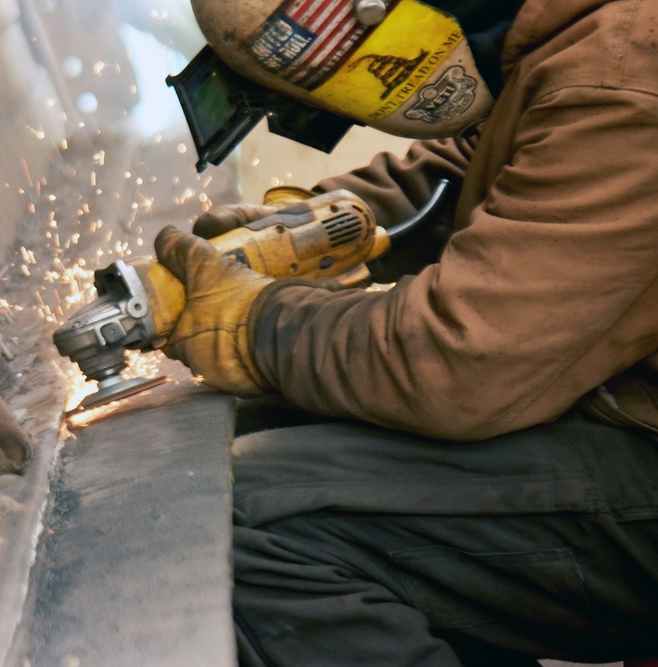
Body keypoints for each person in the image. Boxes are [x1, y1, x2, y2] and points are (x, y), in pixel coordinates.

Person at [152, 1, 658, 664]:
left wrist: (258, 322)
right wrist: (306, 231)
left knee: (222, 520)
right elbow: (470, 170)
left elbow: (460, 363)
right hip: (622, 417)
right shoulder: (570, 37)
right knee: (254, 433)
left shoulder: (627, 74)